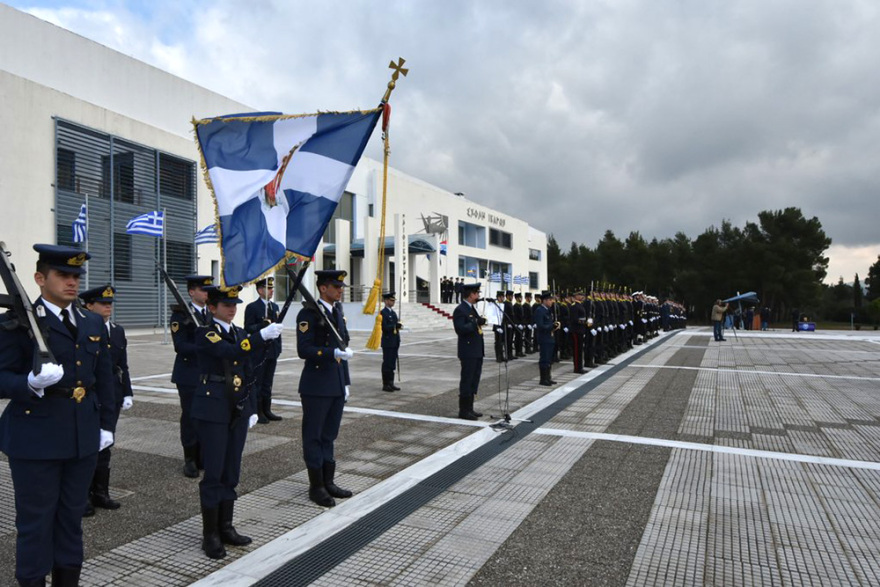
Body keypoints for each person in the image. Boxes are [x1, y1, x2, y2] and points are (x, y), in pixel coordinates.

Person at [0, 244, 116, 586]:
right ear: (40, 278)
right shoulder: (16, 322)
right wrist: (29, 383)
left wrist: (107, 425)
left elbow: (104, 379)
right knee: (36, 522)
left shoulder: (92, 320)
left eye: (76, 277)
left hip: (82, 436)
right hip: (35, 438)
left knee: (70, 519)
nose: (72, 283)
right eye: (63, 275)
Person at [193, 285, 283, 559]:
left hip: (238, 406)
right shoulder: (205, 332)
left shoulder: (241, 333)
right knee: (215, 472)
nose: (232, 309)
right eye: (226, 305)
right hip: (214, 407)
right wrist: (259, 337)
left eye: (235, 304)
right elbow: (228, 352)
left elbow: (249, 371)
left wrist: (253, 406)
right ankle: (210, 534)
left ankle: (226, 526)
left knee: (232, 470)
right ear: (212, 308)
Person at [296, 270, 354, 508]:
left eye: (341, 286)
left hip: (336, 383)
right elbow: (304, 350)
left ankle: (328, 481)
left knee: (329, 436)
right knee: (314, 436)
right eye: (336, 286)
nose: (340, 289)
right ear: (322, 288)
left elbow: (344, 343)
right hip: (317, 385)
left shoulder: (337, 311)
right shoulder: (308, 314)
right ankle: (316, 486)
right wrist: (331, 353)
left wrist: (346, 382)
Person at [79, 285, 133, 517]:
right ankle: (82, 495)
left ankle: (101, 492)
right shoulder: (81, 329)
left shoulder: (117, 331)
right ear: (89, 305)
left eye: (110, 303)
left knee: (106, 443)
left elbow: (123, 365)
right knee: (85, 446)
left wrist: (128, 391)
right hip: (90, 393)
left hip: (113, 393)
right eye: (103, 303)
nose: (108, 307)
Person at [170, 274, 213, 478]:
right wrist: (202, 347)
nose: (207, 293)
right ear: (191, 292)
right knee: (190, 416)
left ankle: (203, 454)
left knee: (206, 415)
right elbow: (180, 346)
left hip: (208, 374)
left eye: (208, 290)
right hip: (188, 374)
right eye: (203, 290)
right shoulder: (180, 315)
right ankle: (190, 458)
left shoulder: (211, 313)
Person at [244, 277, 283, 424]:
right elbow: (248, 328)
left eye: (272, 288)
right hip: (259, 350)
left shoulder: (275, 307)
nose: (272, 290)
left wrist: (278, 348)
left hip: (272, 350)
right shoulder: (252, 307)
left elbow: (278, 329)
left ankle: (267, 409)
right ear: (260, 290)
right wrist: (262, 325)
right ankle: (257, 410)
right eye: (269, 288)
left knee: (268, 382)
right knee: (258, 382)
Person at [453, 282, 486, 420]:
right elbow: (460, 329)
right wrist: (475, 323)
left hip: (476, 350)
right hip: (468, 351)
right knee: (467, 380)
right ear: (471, 294)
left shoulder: (472, 309)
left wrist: (479, 321)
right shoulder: (460, 310)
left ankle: (470, 408)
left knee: (474, 379)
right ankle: (464, 410)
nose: (478, 295)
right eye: (477, 293)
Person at [535, 290, 558, 386]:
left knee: (549, 359)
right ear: (544, 300)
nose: (551, 302)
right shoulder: (540, 310)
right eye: (549, 300)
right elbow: (540, 325)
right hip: (544, 338)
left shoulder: (548, 310)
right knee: (544, 358)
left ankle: (548, 377)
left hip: (550, 337)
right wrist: (551, 326)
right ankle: (543, 379)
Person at [380, 292, 402, 391]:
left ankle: (391, 383)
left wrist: (398, 326)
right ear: (386, 301)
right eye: (391, 300)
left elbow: (395, 325)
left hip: (394, 341)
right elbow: (384, 327)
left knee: (392, 362)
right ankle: (385, 384)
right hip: (388, 341)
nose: (393, 302)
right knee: (387, 363)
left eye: (393, 301)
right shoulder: (383, 313)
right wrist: (394, 326)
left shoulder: (393, 313)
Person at [569, 291, 588, 374]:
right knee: (577, 350)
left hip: (580, 330)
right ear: (576, 296)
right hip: (576, 330)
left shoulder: (580, 305)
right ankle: (577, 368)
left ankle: (580, 366)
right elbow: (574, 319)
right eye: (580, 295)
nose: (582, 296)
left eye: (582, 295)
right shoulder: (574, 306)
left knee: (580, 350)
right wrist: (584, 322)